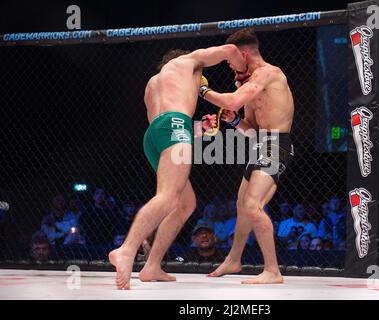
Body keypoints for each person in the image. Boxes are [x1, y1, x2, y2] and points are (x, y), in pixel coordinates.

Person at [108, 45, 246, 289]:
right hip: (175, 125)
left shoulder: (153, 83)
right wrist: (242, 70)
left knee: (185, 203)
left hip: (154, 135)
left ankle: (152, 266)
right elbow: (230, 49)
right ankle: (127, 250)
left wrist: (198, 129)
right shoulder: (189, 61)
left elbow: (164, 124)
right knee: (168, 196)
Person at [201, 29, 295, 284]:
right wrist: (235, 120)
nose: (230, 67)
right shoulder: (251, 83)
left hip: (277, 145)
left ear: (242, 54)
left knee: (253, 205)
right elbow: (251, 130)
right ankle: (234, 260)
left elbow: (231, 99)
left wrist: (201, 89)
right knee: (243, 204)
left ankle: (272, 271)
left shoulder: (268, 74)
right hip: (261, 145)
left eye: (230, 60)